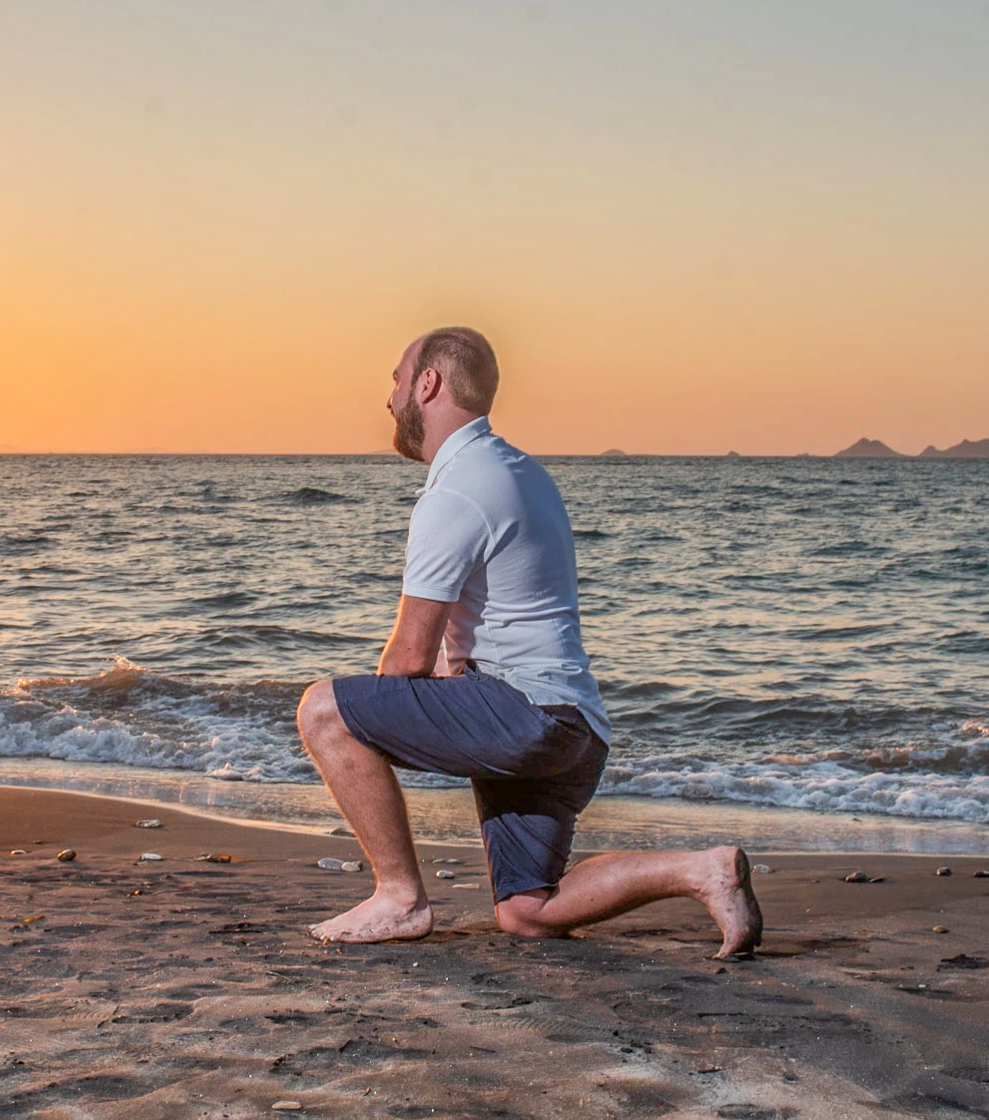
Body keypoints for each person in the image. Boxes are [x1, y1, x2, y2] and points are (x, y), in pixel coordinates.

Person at [296, 327, 761, 956]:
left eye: (397, 379)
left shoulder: (458, 487)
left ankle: (399, 897)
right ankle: (703, 871)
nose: (389, 397)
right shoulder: (519, 471)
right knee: (526, 911)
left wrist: (380, 730)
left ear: (428, 384)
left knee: (325, 711)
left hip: (524, 716)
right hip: (577, 728)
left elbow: (408, 658)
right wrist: (431, 713)